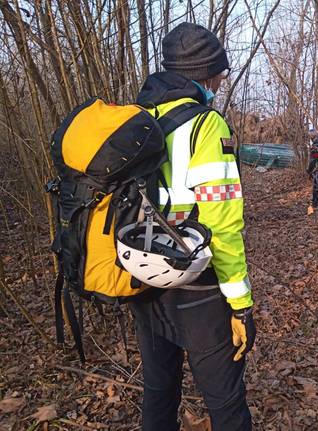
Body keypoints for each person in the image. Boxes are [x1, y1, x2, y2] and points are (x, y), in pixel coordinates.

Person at [130, 23, 255, 431]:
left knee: (159, 393)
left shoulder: (140, 117)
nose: (221, 81)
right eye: (219, 74)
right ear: (205, 74)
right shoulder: (207, 126)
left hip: (144, 276)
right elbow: (223, 223)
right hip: (196, 286)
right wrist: (240, 304)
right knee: (226, 406)